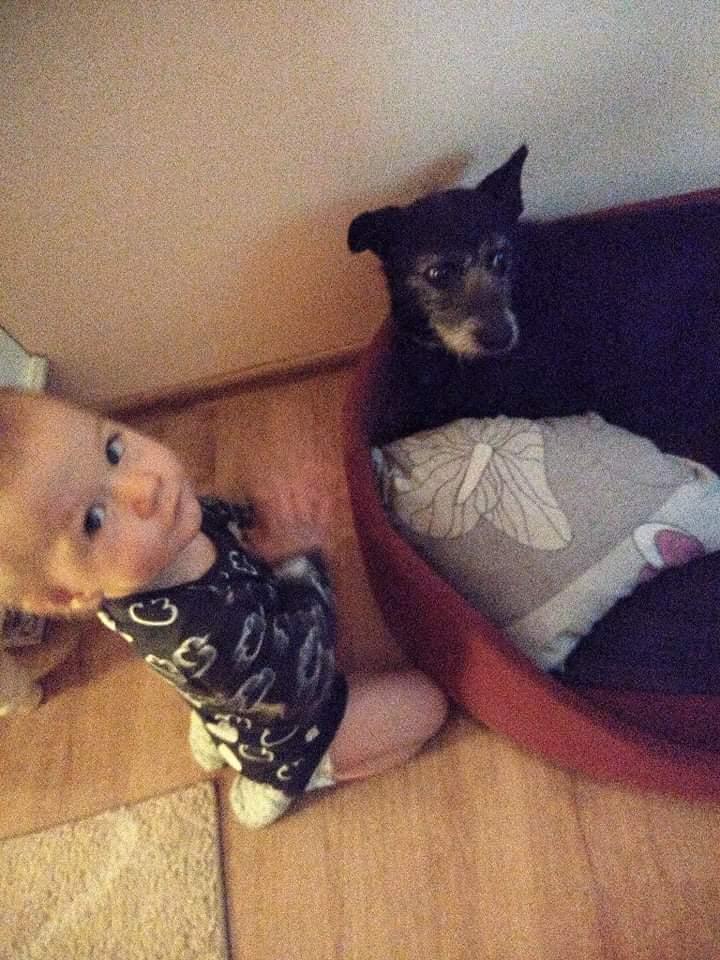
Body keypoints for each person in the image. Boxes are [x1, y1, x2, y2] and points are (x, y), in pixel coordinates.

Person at [0, 388, 447, 827]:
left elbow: (220, 520)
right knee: (427, 706)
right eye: (93, 520)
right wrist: (299, 557)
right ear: (69, 595)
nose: (145, 486)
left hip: (233, 693)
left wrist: (260, 517)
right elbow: (304, 675)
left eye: (113, 451)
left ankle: (216, 732)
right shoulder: (199, 630)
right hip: (286, 734)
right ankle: (278, 784)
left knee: (222, 686)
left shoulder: (151, 549)